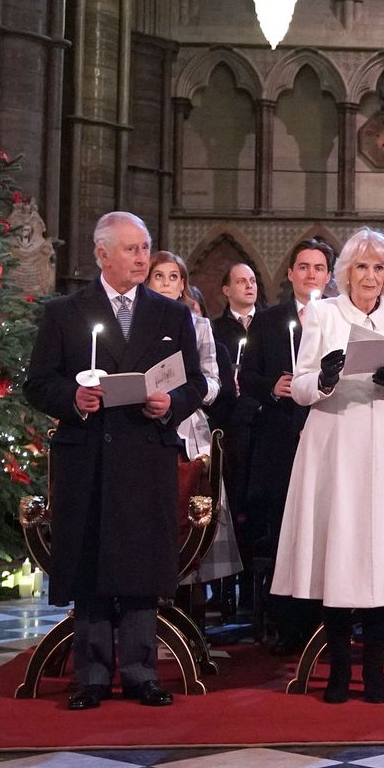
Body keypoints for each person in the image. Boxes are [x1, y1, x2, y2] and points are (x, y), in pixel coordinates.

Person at [24, 212, 206, 710]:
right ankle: (93, 676)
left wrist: (172, 404)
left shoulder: (171, 314)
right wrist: (72, 399)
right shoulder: (66, 311)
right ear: (102, 254)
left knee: (142, 565)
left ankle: (143, 671)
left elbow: (196, 383)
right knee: (91, 562)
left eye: (146, 247)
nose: (142, 258)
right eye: (131, 249)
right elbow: (38, 383)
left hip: (146, 454)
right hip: (89, 457)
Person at [271, 227, 384, 703]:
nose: (370, 275)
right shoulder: (322, 312)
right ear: (346, 272)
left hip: (383, 439)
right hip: (334, 441)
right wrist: (322, 378)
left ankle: (376, 672)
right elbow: (299, 385)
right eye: (362, 266)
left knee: (379, 554)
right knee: (340, 551)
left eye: (379, 267)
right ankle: (341, 670)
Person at [240, 236, 335, 652]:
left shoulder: (336, 318)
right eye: (304, 267)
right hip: (280, 441)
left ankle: (326, 623)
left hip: (327, 436)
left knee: (325, 532)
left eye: (318, 268)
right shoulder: (268, 320)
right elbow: (246, 377)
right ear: (291, 273)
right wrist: (273, 387)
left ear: (329, 276)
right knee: (284, 533)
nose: (310, 274)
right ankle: (287, 626)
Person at [146, 252, 242, 594]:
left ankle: (192, 611)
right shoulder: (136, 322)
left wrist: (183, 393)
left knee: (193, 520)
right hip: (144, 424)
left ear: (184, 284)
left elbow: (214, 384)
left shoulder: (199, 326)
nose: (167, 283)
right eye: (159, 276)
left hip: (189, 430)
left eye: (174, 277)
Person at [210, 263, 260, 557]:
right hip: (229, 423)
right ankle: (225, 583)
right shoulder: (216, 329)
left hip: (260, 420)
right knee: (230, 497)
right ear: (227, 290)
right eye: (241, 281)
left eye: (252, 281)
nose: (249, 286)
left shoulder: (267, 324)